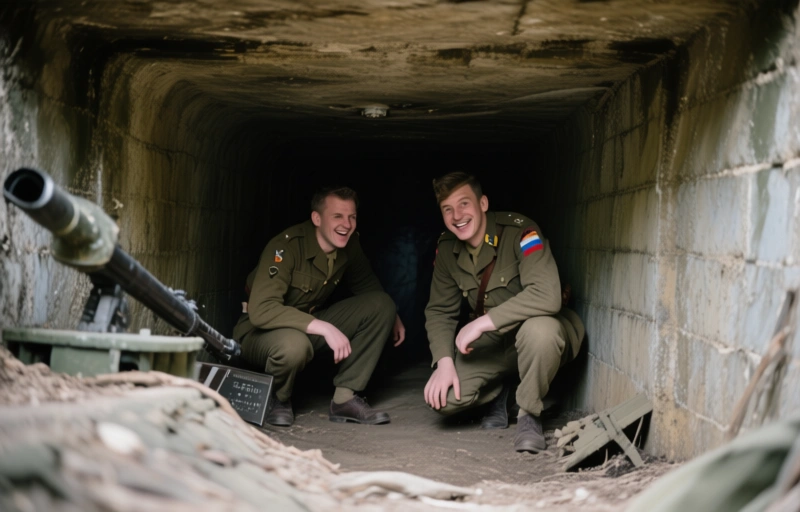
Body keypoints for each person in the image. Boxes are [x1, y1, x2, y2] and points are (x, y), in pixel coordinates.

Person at [423, 172, 584, 452]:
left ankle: (529, 414)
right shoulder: (448, 249)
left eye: (464, 204)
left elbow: (547, 295)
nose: (456, 215)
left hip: (538, 332)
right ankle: (503, 392)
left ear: (483, 203)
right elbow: (439, 311)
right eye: (447, 209)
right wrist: (444, 362)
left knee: (541, 332)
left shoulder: (521, 232)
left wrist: (482, 323)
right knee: (443, 398)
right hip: (495, 344)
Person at [233, 185, 405, 427]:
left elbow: (367, 285)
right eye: (337, 216)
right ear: (317, 218)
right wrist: (324, 328)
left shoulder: (349, 244)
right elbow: (262, 310)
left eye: (352, 216)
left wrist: (392, 315)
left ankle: (345, 398)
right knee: (294, 345)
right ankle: (279, 399)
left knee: (382, 304)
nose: (347, 224)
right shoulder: (285, 247)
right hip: (260, 332)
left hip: (308, 327)